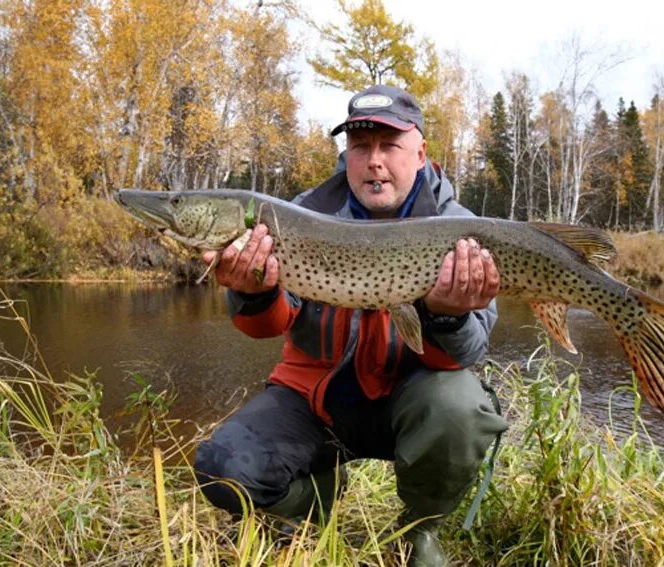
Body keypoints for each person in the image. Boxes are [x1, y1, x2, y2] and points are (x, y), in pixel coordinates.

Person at [194, 84, 506, 566]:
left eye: (389, 145)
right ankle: (314, 499)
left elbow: (468, 353)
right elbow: (265, 326)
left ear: (420, 154)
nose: (374, 160)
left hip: (409, 402)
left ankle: (420, 528)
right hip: (316, 400)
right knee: (223, 468)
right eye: (361, 147)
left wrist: (446, 312)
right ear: (347, 155)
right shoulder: (300, 216)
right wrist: (254, 292)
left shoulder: (460, 228)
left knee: (460, 406)